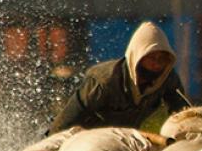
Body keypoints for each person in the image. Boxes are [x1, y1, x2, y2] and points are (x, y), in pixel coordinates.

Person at [48, 21, 189, 135]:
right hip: (87, 141)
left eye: (161, 59)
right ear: (138, 57)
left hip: (124, 143)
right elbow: (67, 121)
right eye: (151, 58)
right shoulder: (103, 81)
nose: (157, 64)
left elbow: (183, 114)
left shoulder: (168, 80)